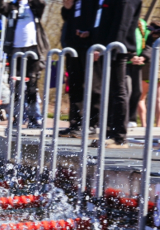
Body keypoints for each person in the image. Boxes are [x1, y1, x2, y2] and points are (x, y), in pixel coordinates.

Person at [90, 0, 141, 149]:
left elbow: (122, 24)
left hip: (117, 49)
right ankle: (109, 133)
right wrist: (99, 46)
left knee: (118, 91)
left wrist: (113, 49)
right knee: (109, 92)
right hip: (108, 48)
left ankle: (119, 137)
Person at [0, 0, 49, 132]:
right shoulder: (12, 7)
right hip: (16, 51)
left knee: (32, 86)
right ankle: (18, 117)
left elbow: (42, 4)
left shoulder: (34, 7)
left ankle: (35, 118)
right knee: (16, 87)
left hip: (33, 50)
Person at [58, 0, 98, 140]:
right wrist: (67, 8)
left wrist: (92, 34)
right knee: (74, 86)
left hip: (89, 44)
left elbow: (99, 16)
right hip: (73, 45)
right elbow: (68, 18)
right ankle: (75, 124)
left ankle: (92, 125)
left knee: (92, 86)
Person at [138, 23, 160, 129]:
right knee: (159, 100)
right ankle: (158, 126)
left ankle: (144, 125)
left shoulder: (148, 38)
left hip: (147, 69)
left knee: (141, 98)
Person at [126, 19, 150, 127]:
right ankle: (122, 118)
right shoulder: (125, 19)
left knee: (137, 91)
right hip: (125, 61)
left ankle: (131, 118)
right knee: (127, 89)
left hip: (138, 63)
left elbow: (148, 42)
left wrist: (144, 56)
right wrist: (131, 56)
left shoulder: (143, 23)